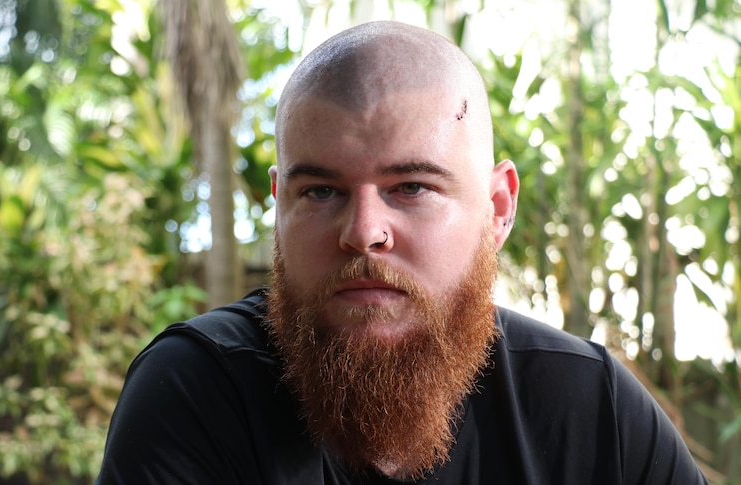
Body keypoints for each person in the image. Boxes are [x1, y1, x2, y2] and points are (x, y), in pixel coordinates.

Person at [95, 20, 707, 484]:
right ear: (279, 206)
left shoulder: (592, 412)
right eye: (322, 191)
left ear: (497, 209)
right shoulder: (195, 393)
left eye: (411, 187)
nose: (364, 231)